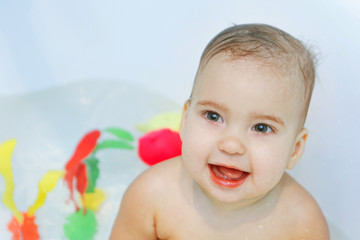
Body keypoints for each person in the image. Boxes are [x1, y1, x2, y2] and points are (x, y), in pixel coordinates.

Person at [110, 23, 329, 239]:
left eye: (261, 128)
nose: (231, 145)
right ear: (185, 122)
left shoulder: (301, 224)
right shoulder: (152, 196)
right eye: (213, 116)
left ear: (295, 149)